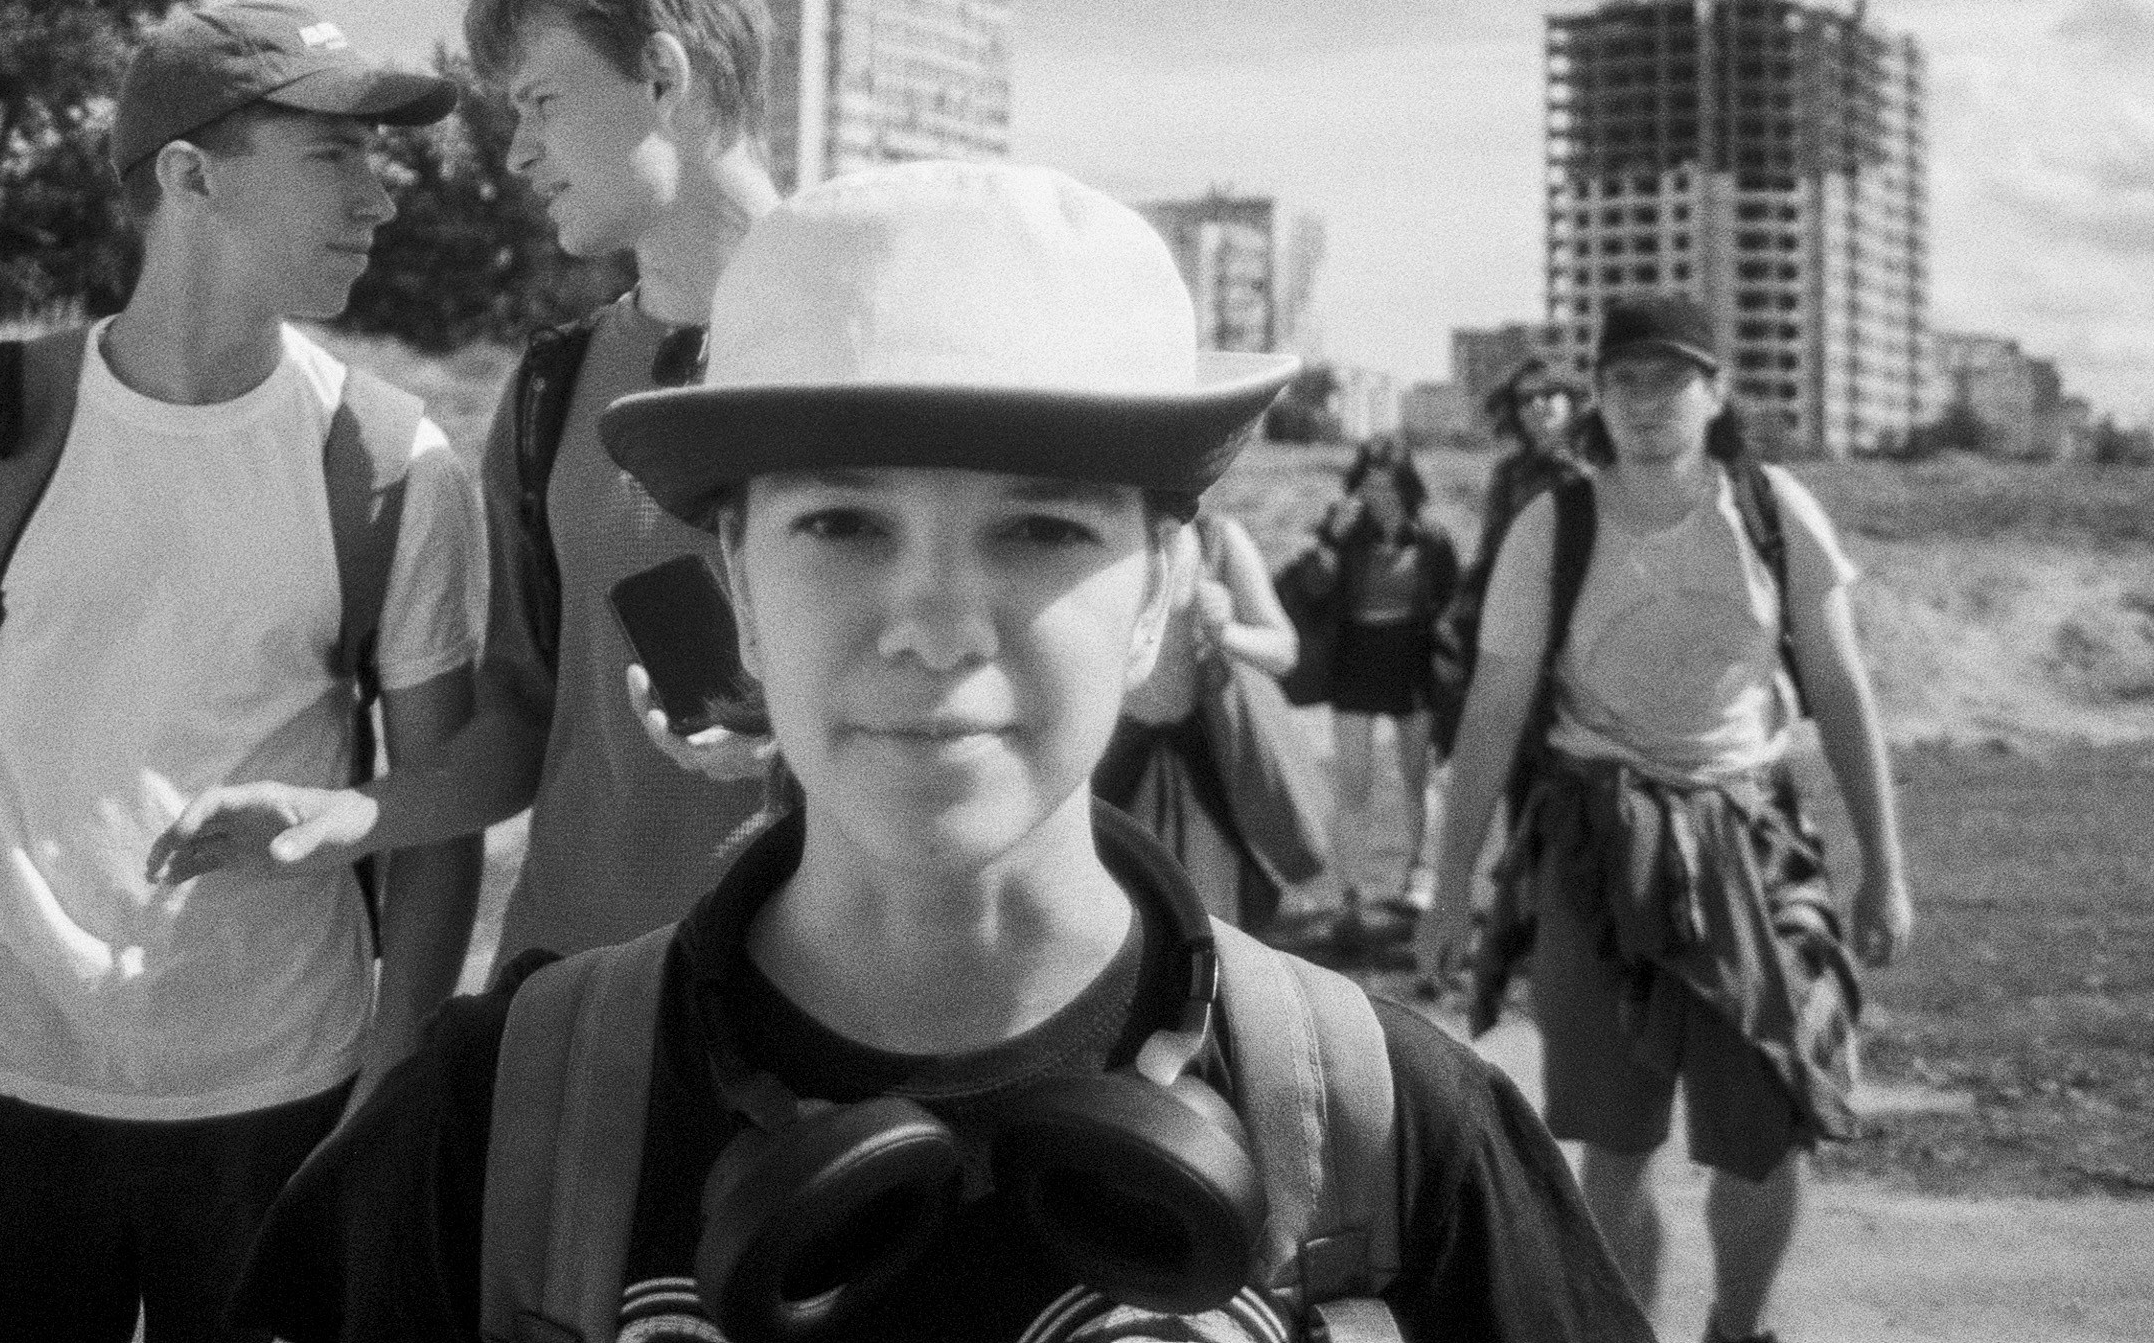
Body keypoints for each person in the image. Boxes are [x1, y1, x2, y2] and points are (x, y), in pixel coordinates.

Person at [229, 161, 1655, 1343]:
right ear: (735, 576)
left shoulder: (1393, 1134)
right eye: (842, 525)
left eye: (1042, 530)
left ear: (1164, 584)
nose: (935, 627)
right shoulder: (493, 1135)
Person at [0, 4, 489, 1338]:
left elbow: (437, 808)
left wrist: (386, 1098)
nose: (381, 198)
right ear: (188, 172)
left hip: (289, 1102)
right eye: (334, 154)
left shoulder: (395, 458)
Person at [150, 0, 786, 970]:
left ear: (664, 77)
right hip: (569, 991)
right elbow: (524, 722)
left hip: (806, 1007)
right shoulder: (554, 387)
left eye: (541, 102)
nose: (518, 155)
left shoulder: (884, 358)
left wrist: (797, 740)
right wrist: (362, 814)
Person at [1414, 295, 1915, 1343]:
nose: (1646, 402)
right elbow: (1494, 709)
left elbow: (1840, 686)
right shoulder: (1554, 525)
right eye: (1624, 380)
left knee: (1767, 1125)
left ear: (1717, 392)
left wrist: (1886, 867)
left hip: (1754, 839)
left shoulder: (1774, 513)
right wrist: (1451, 885)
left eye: (1672, 377)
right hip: (1599, 845)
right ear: (1595, 396)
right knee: (1615, 1140)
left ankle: (1740, 1329)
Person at [1091, 507, 1301, 929]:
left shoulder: (1219, 540)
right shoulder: (1100, 530)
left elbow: (1284, 650)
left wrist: (1226, 631)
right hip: (1106, 761)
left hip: (1201, 763)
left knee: (1209, 921)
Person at [1308, 437, 1460, 936]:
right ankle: (1349, 890)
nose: (1379, 495)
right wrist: (1330, 541)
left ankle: (1420, 878)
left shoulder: (1432, 538)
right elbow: (1311, 590)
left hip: (1412, 659)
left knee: (1418, 777)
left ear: (1406, 485)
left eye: (1388, 484)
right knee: (1353, 781)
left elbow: (1454, 602)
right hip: (1356, 659)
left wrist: (1449, 658)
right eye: (1369, 485)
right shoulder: (1345, 532)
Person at [1430, 348, 1583, 758]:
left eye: (1548, 393)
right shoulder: (1509, 476)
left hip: (1586, 625)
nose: (1537, 405)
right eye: (1525, 399)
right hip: (1521, 623)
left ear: (1571, 399)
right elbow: (1490, 555)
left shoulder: (1601, 469)